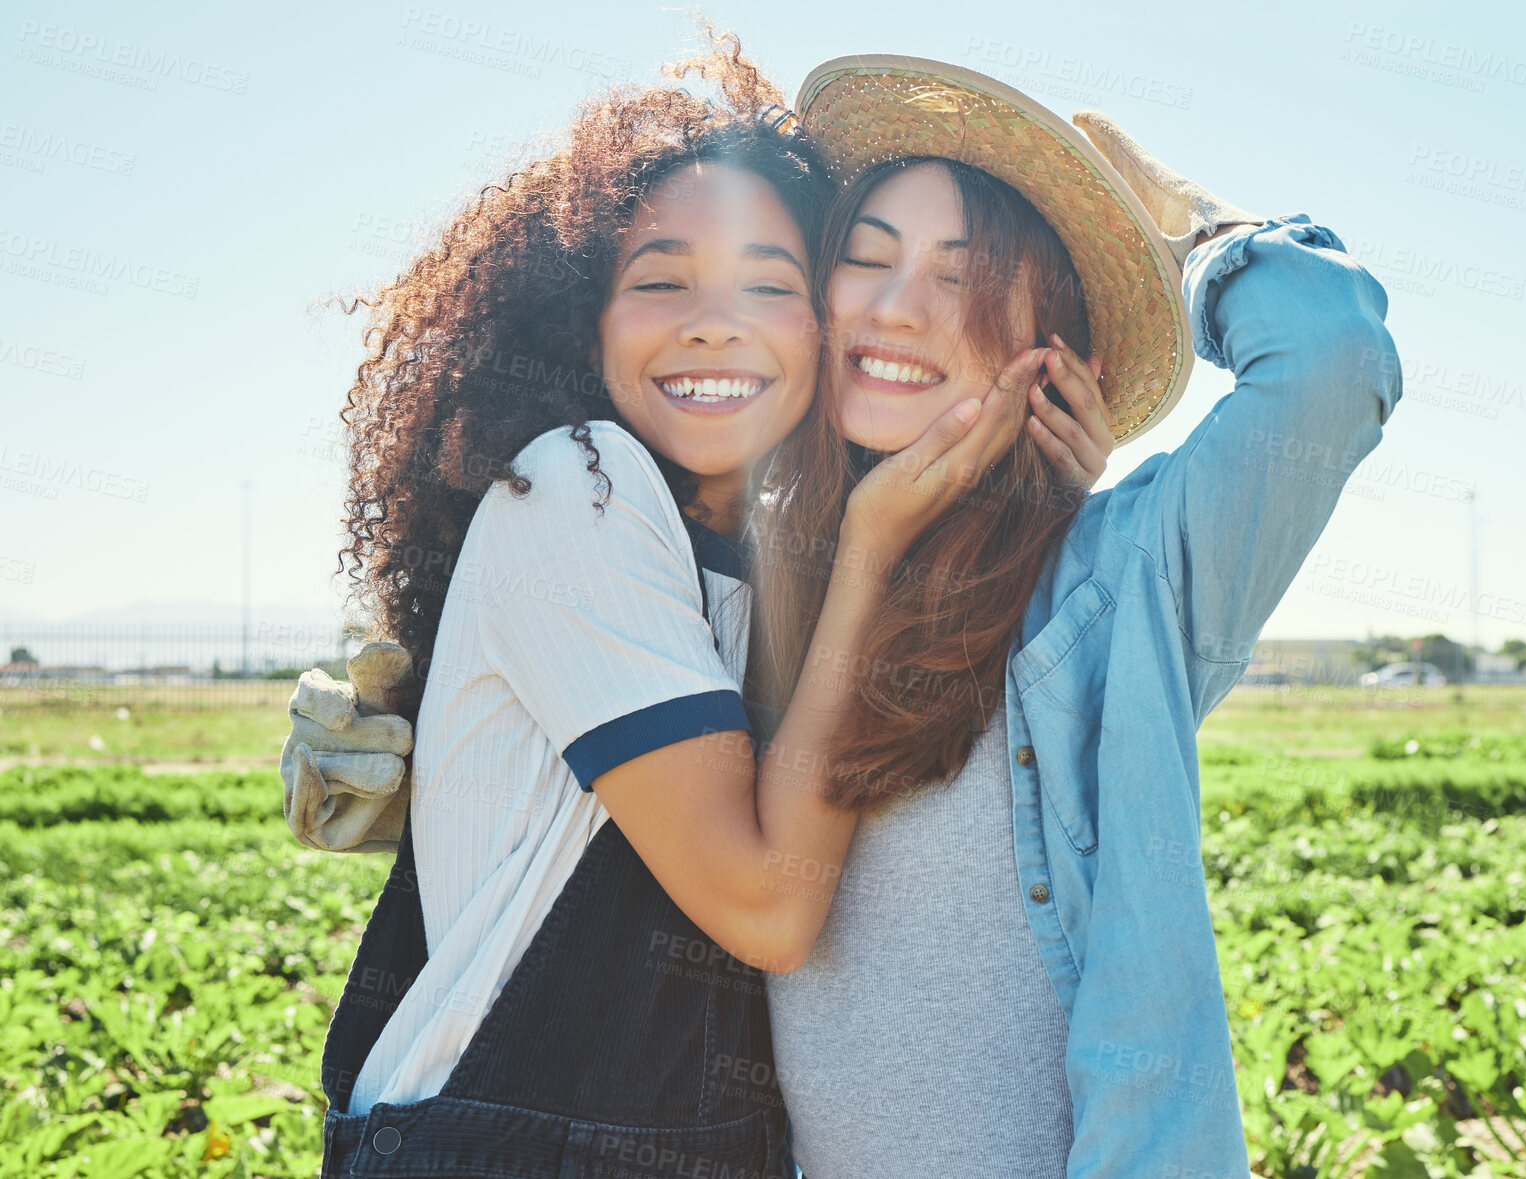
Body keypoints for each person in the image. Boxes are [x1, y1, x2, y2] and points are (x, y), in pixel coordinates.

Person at [289, 54, 1400, 1179]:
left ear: (1051, 345)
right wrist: (435, 753)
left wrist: (1195, 232)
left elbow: (1331, 359)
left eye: (963, 279)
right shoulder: (775, 576)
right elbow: (652, 817)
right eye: (862, 261)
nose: (897, 307)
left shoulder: (1117, 574)